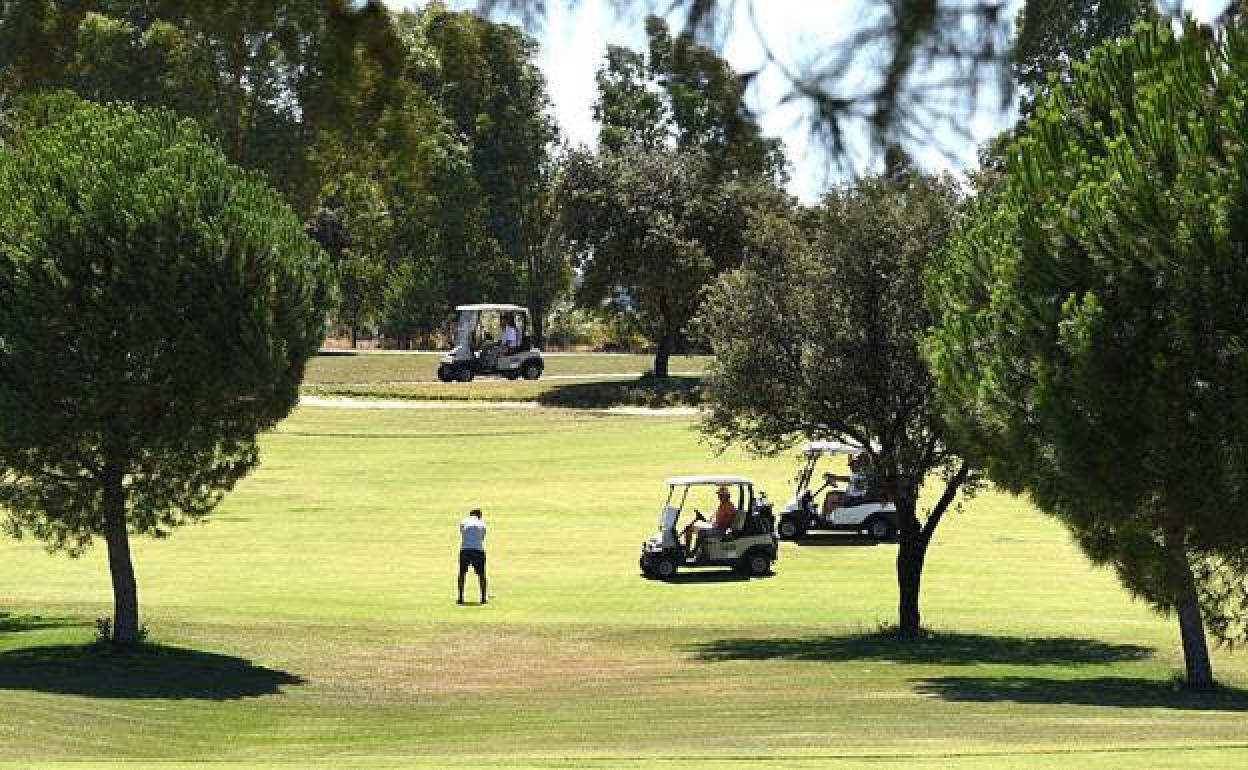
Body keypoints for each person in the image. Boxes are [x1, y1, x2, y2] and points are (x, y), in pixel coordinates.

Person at [457, 508, 488, 605]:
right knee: (481, 574)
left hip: (465, 549)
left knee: (462, 573)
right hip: (478, 550)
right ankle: (483, 598)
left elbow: (463, 534)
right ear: (479, 515)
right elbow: (482, 537)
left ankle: (460, 597)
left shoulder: (463, 521)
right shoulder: (481, 523)